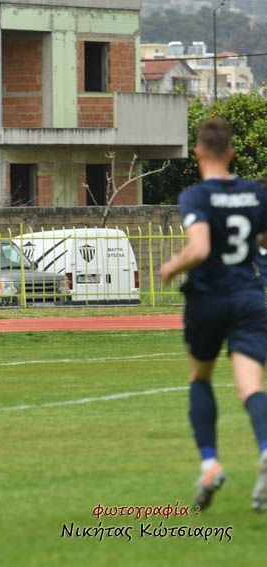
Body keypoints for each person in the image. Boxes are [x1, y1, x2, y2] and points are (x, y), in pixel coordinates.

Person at [160, 117, 267, 513]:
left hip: (208, 298)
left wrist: (172, 266)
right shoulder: (255, 193)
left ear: (199, 152)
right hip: (248, 296)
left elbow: (200, 249)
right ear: (233, 152)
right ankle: (265, 448)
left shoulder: (196, 196)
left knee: (200, 377)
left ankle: (210, 464)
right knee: (251, 386)